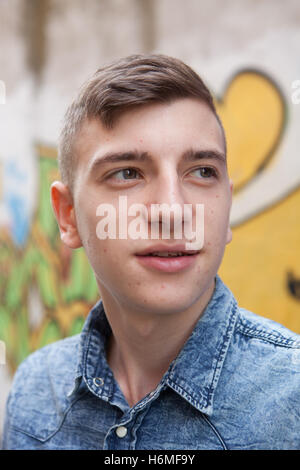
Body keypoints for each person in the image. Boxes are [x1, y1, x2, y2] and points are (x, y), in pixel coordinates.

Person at [2, 54, 300, 450]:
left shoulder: (291, 398)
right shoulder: (35, 393)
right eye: (127, 173)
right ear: (69, 216)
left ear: (226, 208)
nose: (174, 211)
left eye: (201, 171)